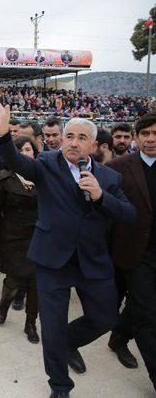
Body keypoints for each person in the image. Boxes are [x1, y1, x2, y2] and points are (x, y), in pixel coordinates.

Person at [0, 96, 136, 397]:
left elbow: (129, 214)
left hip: (92, 261)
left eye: (82, 138)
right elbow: (15, 161)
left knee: (105, 317)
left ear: (94, 146)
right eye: (69, 136)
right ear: (61, 140)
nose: (74, 143)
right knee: (51, 326)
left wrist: (102, 196)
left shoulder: (108, 177)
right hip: (53, 260)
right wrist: (2, 133)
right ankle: (60, 385)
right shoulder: (45, 165)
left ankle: (68, 342)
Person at [108, 113, 156, 388]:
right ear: (137, 137)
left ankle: (119, 335)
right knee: (149, 315)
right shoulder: (118, 167)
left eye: (155, 133)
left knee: (141, 306)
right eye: (145, 133)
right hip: (135, 253)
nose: (150, 139)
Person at [0, 136, 40, 344]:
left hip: (38, 237)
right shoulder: (4, 178)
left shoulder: (43, 177)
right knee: (14, 279)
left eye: (30, 150)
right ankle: (4, 304)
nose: (28, 153)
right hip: (12, 236)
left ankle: (30, 323)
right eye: (23, 150)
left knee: (37, 282)